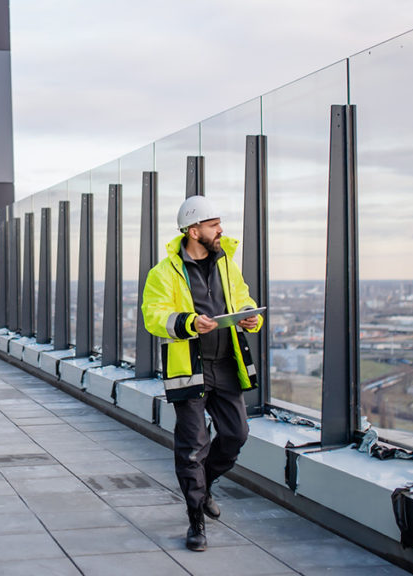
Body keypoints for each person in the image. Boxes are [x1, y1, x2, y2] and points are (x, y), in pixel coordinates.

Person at [141, 194, 262, 552]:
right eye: (213, 225)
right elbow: (154, 317)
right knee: (192, 447)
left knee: (236, 434)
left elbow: (242, 298)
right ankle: (196, 521)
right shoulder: (163, 273)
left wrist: (251, 315)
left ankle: (204, 487)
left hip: (226, 364)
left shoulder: (227, 264)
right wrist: (190, 322)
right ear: (194, 231)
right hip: (189, 370)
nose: (221, 230)